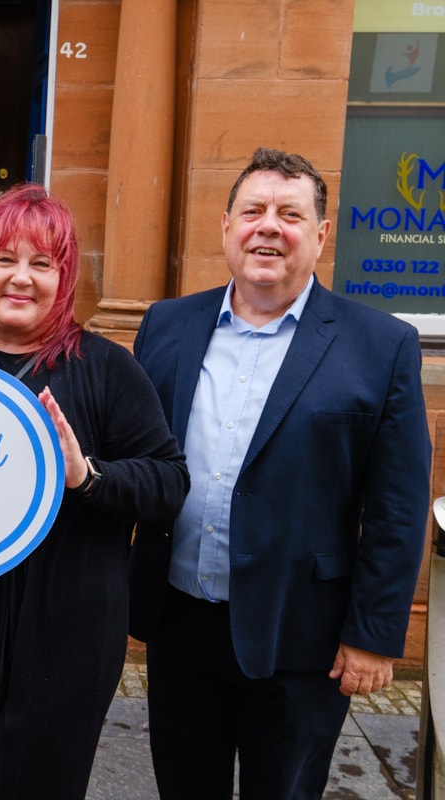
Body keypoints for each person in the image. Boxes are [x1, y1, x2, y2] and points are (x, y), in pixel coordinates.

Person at [130, 147, 431, 800]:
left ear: (321, 235)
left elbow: (398, 506)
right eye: (253, 210)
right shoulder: (167, 324)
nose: (268, 226)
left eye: (290, 214)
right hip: (182, 625)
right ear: (226, 226)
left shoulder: (381, 346)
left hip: (304, 637)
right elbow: (134, 458)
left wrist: (374, 636)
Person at [0, 183, 189, 799]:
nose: (21, 278)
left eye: (42, 263)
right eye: (4, 259)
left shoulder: (105, 369)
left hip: (65, 631)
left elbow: (169, 481)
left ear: (63, 280)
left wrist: (86, 477)